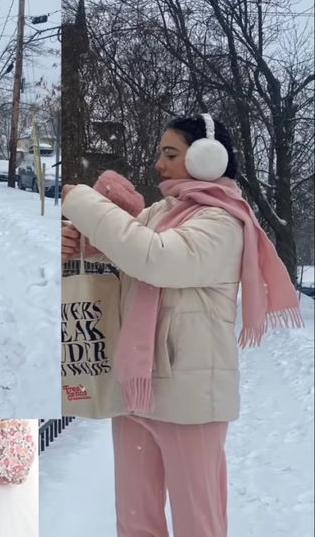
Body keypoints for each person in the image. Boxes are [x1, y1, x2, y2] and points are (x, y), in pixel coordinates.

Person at [61, 113, 302, 537]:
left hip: (190, 400)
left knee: (198, 524)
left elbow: (154, 259)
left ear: (209, 159)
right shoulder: (161, 211)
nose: (158, 163)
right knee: (134, 522)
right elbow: (126, 257)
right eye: (160, 153)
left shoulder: (223, 222)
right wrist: (81, 245)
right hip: (138, 387)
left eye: (170, 153)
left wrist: (83, 200)